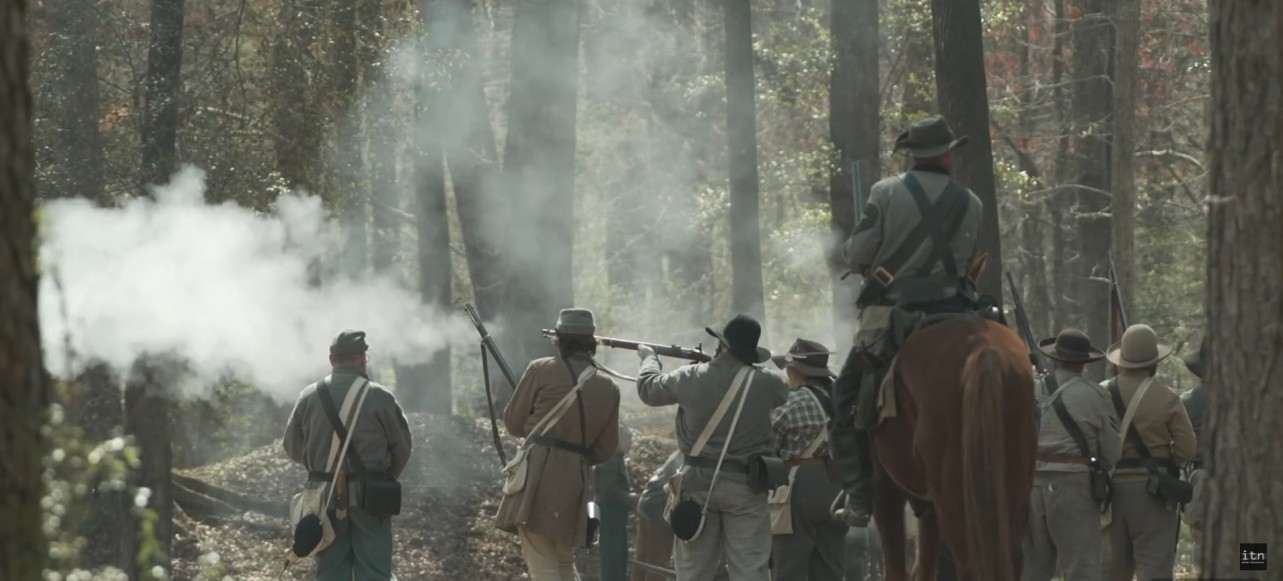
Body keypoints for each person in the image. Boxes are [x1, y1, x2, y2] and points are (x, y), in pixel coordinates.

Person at [831, 114, 985, 528]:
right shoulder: (972, 203)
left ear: (911, 155)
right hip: (956, 315)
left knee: (844, 399)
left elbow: (858, 255)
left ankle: (860, 495)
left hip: (892, 317)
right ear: (949, 155)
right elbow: (967, 264)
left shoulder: (884, 192)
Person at [635, 314, 790, 581]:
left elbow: (649, 389)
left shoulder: (689, 376)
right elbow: (783, 387)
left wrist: (650, 358)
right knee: (750, 569)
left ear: (722, 344)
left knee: (695, 572)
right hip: (747, 486)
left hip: (696, 486)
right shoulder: (769, 382)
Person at [495, 308, 622, 581]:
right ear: (591, 342)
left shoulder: (541, 369)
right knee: (564, 561)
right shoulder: (609, 386)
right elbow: (605, 448)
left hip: (538, 474)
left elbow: (514, 423)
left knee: (543, 564)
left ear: (560, 339)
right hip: (576, 479)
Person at [283, 330, 414, 581]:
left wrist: (321, 469)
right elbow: (403, 448)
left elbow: (291, 445)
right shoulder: (380, 396)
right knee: (374, 572)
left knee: (331, 572)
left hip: (323, 498)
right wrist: (381, 478)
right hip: (371, 498)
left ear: (332, 360)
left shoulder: (309, 396)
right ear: (363, 359)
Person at [1021, 329, 1121, 581]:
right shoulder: (1095, 395)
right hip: (1074, 486)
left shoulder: (1030, 391)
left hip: (1031, 485)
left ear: (1055, 358)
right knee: (1081, 568)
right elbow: (1112, 451)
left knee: (1032, 569)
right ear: (1084, 362)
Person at [1101, 324, 1196, 581]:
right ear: (1154, 361)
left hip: (1108, 494)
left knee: (1110, 571)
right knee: (1155, 570)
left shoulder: (1100, 393)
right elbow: (1187, 446)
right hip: (1153, 494)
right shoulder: (1165, 397)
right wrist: (1167, 464)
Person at [769, 338, 846, 580]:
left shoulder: (791, 402)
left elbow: (768, 445)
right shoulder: (842, 402)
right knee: (829, 566)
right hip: (838, 485)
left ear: (795, 371)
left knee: (788, 565)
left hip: (799, 485)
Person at [594, 425, 634, 581]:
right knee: (613, 557)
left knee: (618, 556)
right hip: (609, 513)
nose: (631, 443)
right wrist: (630, 498)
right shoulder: (610, 458)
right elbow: (608, 490)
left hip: (614, 513)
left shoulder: (615, 457)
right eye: (628, 439)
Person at [1179, 336, 1208, 532]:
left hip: (1203, 485)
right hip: (1249, 484)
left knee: (1207, 552)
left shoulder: (1188, 402)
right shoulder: (1260, 402)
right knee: (1252, 554)